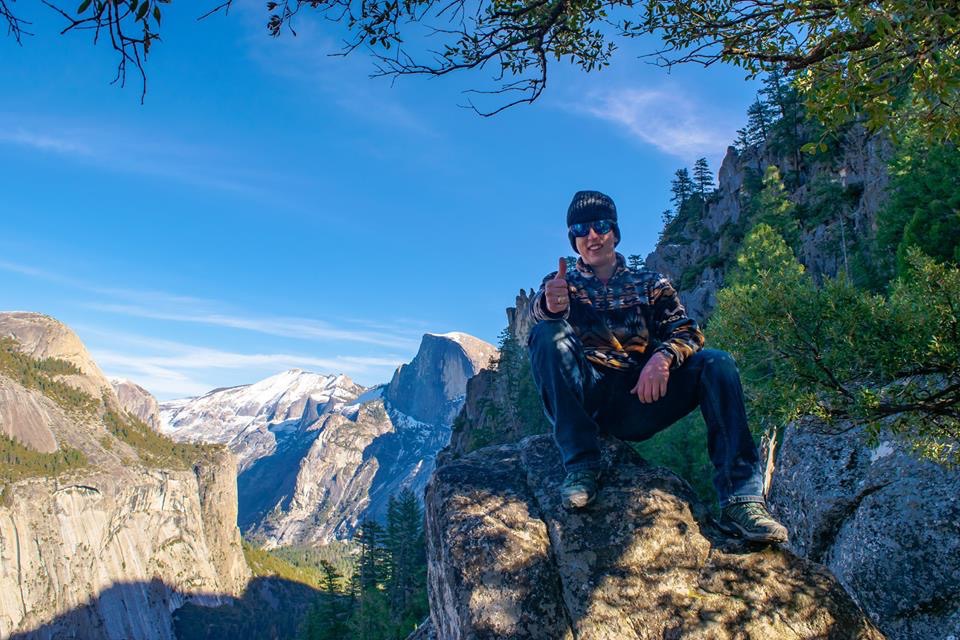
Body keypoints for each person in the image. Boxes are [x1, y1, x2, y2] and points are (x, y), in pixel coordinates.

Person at [527, 189, 788, 543]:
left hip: (641, 397)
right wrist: (551, 306)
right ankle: (581, 466)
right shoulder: (561, 284)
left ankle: (741, 498)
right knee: (547, 334)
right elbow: (540, 315)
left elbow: (687, 331)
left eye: (601, 225)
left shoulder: (650, 284)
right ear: (573, 239)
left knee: (718, 364)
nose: (593, 236)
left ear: (615, 233)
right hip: (589, 396)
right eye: (582, 228)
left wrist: (662, 358)